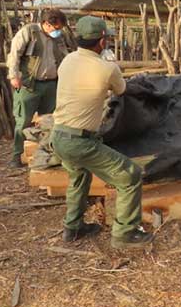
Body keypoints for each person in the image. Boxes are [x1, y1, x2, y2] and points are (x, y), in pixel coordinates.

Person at [51, 16, 153, 249]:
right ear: (103, 40)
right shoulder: (107, 68)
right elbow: (123, 90)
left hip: (57, 136)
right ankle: (125, 235)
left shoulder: (67, 60)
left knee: (79, 177)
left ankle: (72, 227)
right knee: (130, 176)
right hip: (79, 141)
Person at [6, 8, 69, 168]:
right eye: (56, 28)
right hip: (29, 85)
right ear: (47, 24)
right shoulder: (29, 32)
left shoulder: (58, 38)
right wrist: (14, 76)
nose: (58, 31)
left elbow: (65, 57)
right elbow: (14, 54)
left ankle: (44, 156)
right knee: (23, 121)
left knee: (48, 121)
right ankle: (17, 155)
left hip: (51, 84)